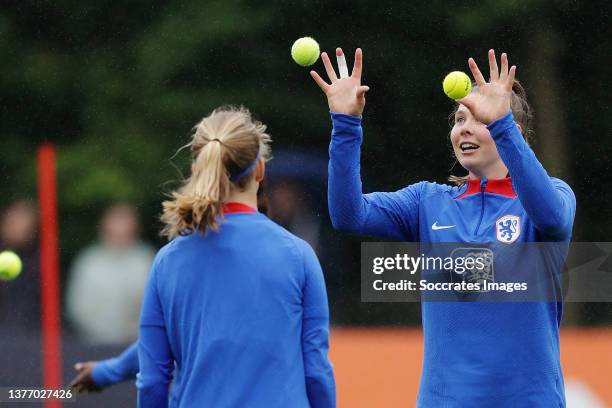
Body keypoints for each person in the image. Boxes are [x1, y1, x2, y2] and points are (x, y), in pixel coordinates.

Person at [311, 48, 575, 406]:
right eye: (459, 119)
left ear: (512, 130)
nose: (464, 127)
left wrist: (502, 125)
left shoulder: (554, 196)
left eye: (479, 118)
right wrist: (345, 126)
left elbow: (550, 216)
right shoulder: (427, 202)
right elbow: (348, 214)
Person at [137, 106, 335, 407]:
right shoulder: (297, 255)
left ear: (199, 168)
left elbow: (152, 381)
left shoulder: (168, 262)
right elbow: (316, 373)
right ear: (260, 170)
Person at [65, 203, 155, 345]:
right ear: (104, 228)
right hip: (94, 344)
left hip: (137, 345)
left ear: (135, 229)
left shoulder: (146, 260)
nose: (119, 233)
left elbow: (156, 306)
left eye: (125, 228)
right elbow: (78, 308)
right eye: (115, 227)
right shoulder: (89, 261)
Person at [0, 199, 40, 331]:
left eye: (25, 221)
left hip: (26, 336)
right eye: (14, 221)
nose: (18, 226)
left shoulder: (38, 261)